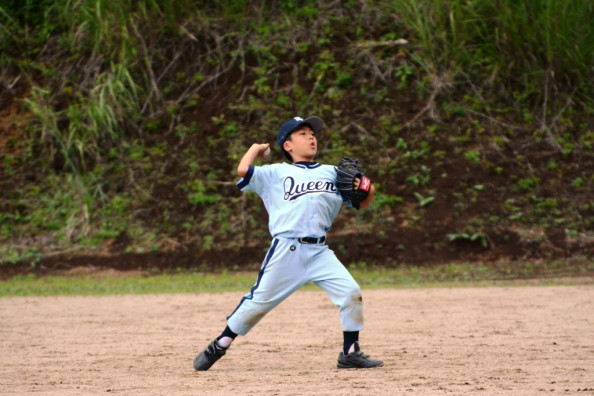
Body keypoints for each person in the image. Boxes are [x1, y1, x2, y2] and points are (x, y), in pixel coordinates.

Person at [193, 116, 383, 371]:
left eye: (312, 133)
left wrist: (367, 189)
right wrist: (256, 149)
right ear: (288, 145)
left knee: (351, 292)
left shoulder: (333, 174)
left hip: (319, 252)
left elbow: (360, 202)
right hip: (287, 250)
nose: (311, 137)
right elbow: (243, 171)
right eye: (303, 133)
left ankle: (350, 353)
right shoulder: (275, 173)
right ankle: (221, 344)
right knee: (258, 303)